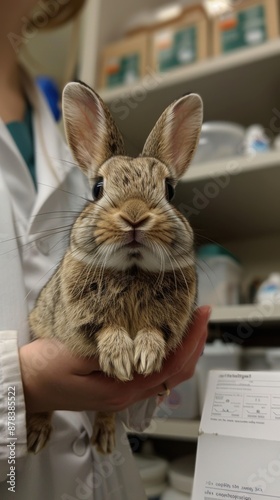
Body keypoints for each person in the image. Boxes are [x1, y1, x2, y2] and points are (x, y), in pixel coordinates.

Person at [0, 1, 209, 499]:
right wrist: (20, 385)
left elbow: (141, 384)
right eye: (99, 191)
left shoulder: (53, 113)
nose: (134, 214)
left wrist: (142, 378)